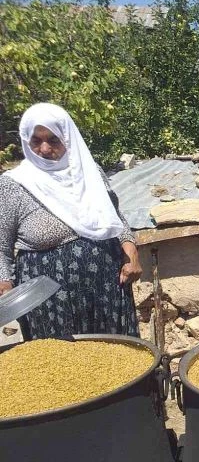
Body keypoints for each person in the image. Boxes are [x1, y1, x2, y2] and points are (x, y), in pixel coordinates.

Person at [0, 103, 142, 339]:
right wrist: (4, 283)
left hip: (106, 287)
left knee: (116, 359)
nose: (44, 149)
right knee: (62, 366)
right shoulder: (13, 184)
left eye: (53, 140)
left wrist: (131, 249)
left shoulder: (89, 171)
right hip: (48, 300)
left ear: (68, 138)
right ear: (26, 140)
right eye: (36, 141)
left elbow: (115, 216)